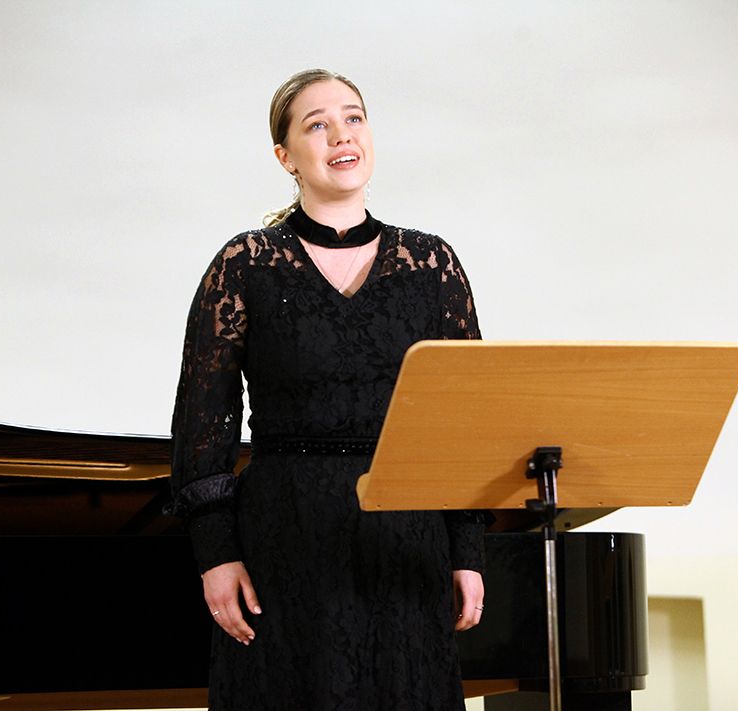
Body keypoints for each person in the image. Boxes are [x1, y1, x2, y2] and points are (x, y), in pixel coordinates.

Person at [168, 68, 488, 711]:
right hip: (283, 541)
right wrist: (215, 555)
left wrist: (469, 551)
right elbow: (203, 422)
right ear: (285, 157)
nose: (342, 135)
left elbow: (465, 422)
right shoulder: (245, 265)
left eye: (353, 117)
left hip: (406, 540)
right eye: (317, 125)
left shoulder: (433, 265)